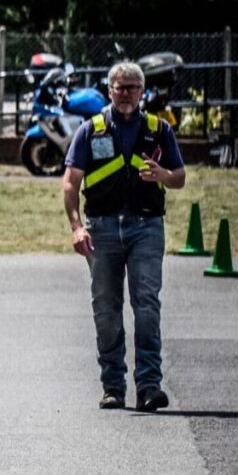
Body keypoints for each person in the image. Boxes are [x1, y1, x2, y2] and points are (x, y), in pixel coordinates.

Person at [62, 61, 186, 412]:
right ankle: (113, 386)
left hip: (146, 227)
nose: (127, 93)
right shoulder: (91, 130)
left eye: (133, 87)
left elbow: (180, 177)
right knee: (106, 308)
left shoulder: (159, 129)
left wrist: (164, 175)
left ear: (142, 92)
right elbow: (71, 183)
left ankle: (149, 386)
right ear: (110, 91)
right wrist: (77, 226)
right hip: (101, 229)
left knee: (146, 304)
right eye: (120, 87)